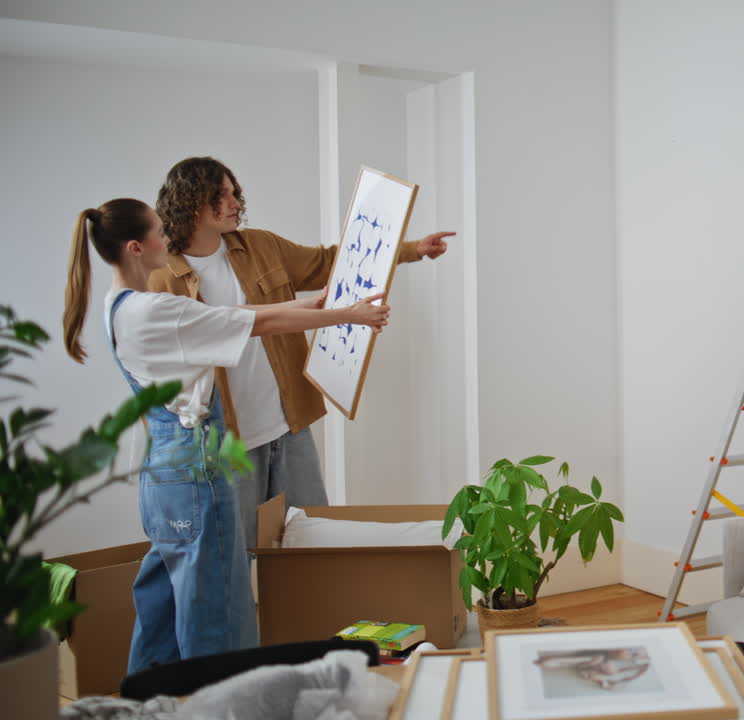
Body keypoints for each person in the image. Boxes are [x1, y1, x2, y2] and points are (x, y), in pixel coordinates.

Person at [62, 197, 390, 672]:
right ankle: (221, 701)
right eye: (158, 231)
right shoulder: (156, 310)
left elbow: (245, 313)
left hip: (163, 476)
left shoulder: (120, 305)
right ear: (136, 248)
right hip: (194, 471)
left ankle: (147, 700)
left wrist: (310, 303)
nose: (167, 237)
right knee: (216, 608)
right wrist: (349, 315)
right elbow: (259, 321)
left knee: (163, 604)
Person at [149, 156, 454, 550]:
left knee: (313, 535)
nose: (233, 202)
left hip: (286, 422)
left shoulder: (259, 246)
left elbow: (329, 262)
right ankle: (252, 614)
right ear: (189, 202)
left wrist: (413, 249)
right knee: (236, 548)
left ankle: (313, 611)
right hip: (224, 439)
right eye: (219, 195)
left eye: (232, 192)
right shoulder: (161, 278)